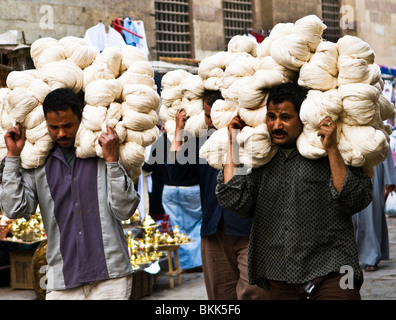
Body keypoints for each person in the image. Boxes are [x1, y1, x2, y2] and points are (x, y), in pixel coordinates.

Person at [216, 82, 373, 300]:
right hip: (276, 272)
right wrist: (233, 141)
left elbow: (354, 198)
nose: (276, 125)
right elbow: (233, 198)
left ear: (302, 117)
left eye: (285, 117)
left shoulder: (327, 151)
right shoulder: (260, 157)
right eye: (271, 117)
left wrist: (332, 149)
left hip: (335, 268)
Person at [0, 88, 140, 300]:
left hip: (111, 275)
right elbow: (14, 208)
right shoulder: (38, 161)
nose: (61, 133)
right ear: (46, 123)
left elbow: (125, 210)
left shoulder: (104, 152)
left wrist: (112, 161)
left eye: (68, 125)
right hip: (61, 278)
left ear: (81, 116)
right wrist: (12, 157)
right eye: (53, 127)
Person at [168, 89, 270, 300]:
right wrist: (179, 130)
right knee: (220, 296)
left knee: (256, 293)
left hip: (251, 231)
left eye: (215, 115)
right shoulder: (203, 140)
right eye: (207, 116)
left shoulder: (255, 137)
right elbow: (177, 172)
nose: (212, 122)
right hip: (214, 232)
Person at [143, 128, 203, 271]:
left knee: (177, 227)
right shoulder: (194, 138)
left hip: (169, 189)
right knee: (196, 225)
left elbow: (148, 165)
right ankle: (198, 262)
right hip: (191, 187)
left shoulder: (163, 139)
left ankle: (183, 264)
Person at [353, 148, 396, 272]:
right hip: (348, 164)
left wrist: (390, 179)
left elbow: (383, 143)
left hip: (373, 165)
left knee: (371, 213)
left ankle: (371, 257)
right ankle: (351, 255)